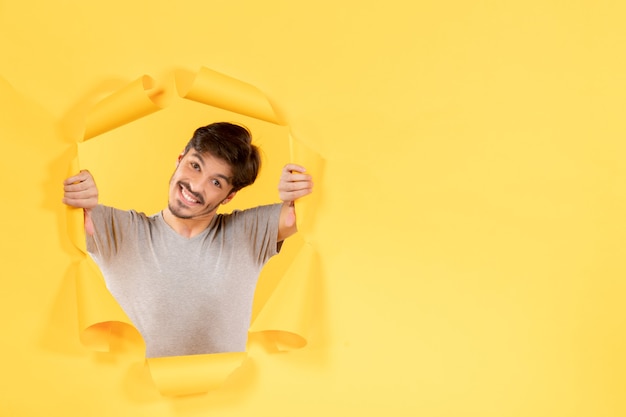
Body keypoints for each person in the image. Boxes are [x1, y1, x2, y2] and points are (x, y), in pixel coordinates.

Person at [62, 122, 313, 358]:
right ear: (180, 158)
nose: (195, 186)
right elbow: (57, 209)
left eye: (216, 182)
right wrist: (77, 188)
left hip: (225, 398)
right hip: (134, 396)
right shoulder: (119, 230)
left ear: (229, 196)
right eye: (195, 166)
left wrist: (296, 191)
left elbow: (299, 214)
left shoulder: (246, 233)